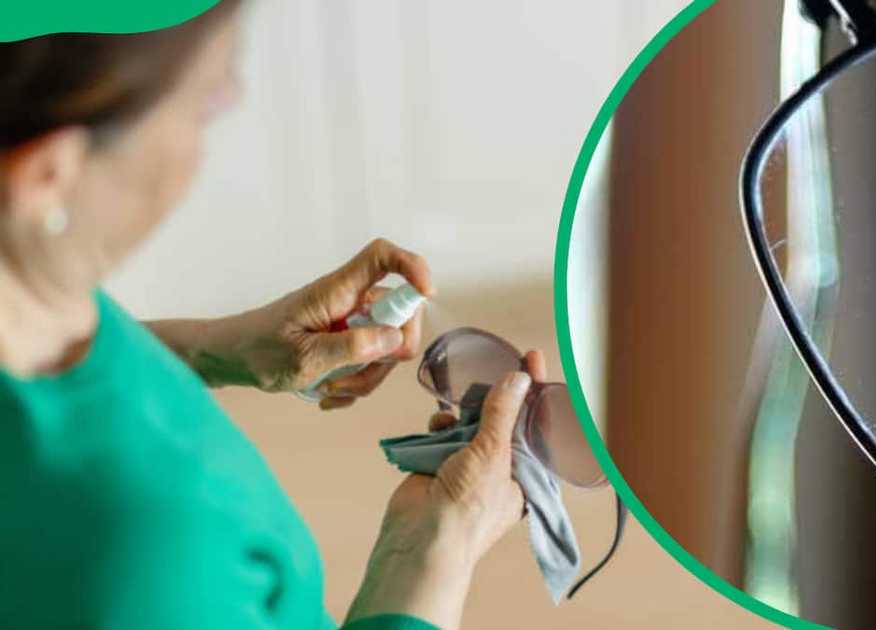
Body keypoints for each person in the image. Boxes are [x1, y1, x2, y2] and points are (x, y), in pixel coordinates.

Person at [0, 3, 541, 629]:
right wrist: (436, 544)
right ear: (47, 175)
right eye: (204, 102)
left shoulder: (34, 302)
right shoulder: (150, 551)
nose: (229, 98)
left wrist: (222, 348)